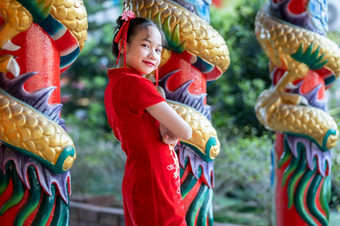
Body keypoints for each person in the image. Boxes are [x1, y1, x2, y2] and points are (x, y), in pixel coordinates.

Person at [104, 11, 192, 226]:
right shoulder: (136, 84)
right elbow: (185, 132)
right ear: (123, 45)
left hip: (145, 175)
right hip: (154, 181)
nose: (153, 54)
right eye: (145, 45)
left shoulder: (118, 83)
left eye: (158, 49)